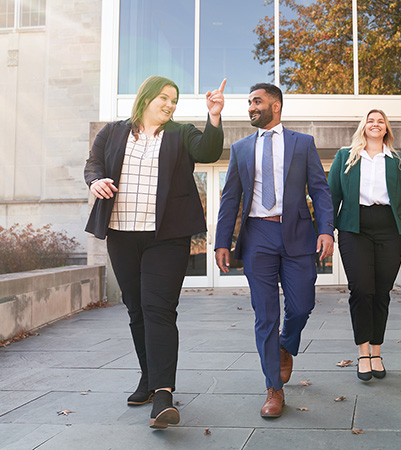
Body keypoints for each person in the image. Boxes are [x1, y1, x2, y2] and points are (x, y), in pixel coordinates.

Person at [84, 76, 226, 428]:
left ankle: (163, 393)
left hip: (166, 236)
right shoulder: (113, 132)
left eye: (174, 100)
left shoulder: (181, 133)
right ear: (145, 97)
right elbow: (94, 164)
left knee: (159, 309)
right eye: (163, 98)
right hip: (121, 234)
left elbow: (209, 151)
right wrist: (96, 181)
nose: (169, 105)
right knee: (136, 309)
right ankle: (148, 378)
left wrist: (214, 117)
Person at [215, 83, 334, 418]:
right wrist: (222, 241)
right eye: (249, 102)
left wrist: (326, 230)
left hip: (297, 232)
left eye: (257, 101)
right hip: (258, 236)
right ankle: (273, 388)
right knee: (265, 314)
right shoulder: (240, 149)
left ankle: (286, 344)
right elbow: (229, 199)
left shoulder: (303, 143)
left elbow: (320, 191)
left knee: (301, 305)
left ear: (276, 106)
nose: (251, 107)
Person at [328, 109, 401, 381]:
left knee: (381, 292)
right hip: (355, 227)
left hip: (391, 228)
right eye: (371, 120)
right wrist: (325, 231)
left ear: (386, 128)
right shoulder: (346, 157)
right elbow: (331, 195)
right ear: (363, 126)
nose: (375, 124)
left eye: (381, 121)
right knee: (362, 290)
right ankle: (363, 353)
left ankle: (377, 352)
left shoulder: (400, 161)